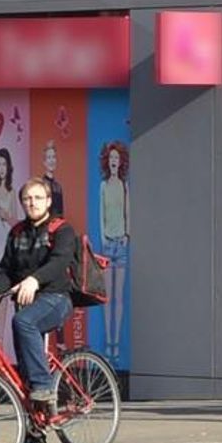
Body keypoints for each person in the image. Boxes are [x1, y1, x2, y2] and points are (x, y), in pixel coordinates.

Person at [0, 177, 75, 443]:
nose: (32, 203)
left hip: (56, 298)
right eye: (27, 199)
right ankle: (35, 436)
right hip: (27, 304)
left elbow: (60, 262)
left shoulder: (62, 229)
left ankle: (45, 385)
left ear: (48, 201)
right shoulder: (17, 232)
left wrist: (33, 280)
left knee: (22, 322)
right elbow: (5, 270)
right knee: (24, 378)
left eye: (37, 198)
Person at [99, 140, 130, 362]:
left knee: (119, 298)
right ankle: (108, 341)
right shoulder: (103, 186)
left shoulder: (124, 186)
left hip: (121, 244)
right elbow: (101, 214)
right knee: (106, 297)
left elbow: (128, 212)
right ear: (107, 161)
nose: (113, 162)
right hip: (107, 243)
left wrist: (128, 235)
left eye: (116, 158)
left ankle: (115, 343)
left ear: (121, 162)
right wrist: (102, 239)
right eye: (111, 158)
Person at [42, 139, 65, 216]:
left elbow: (61, 213)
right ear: (44, 162)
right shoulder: (40, 185)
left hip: (58, 226)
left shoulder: (58, 187)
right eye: (49, 157)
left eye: (54, 157)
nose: (52, 160)